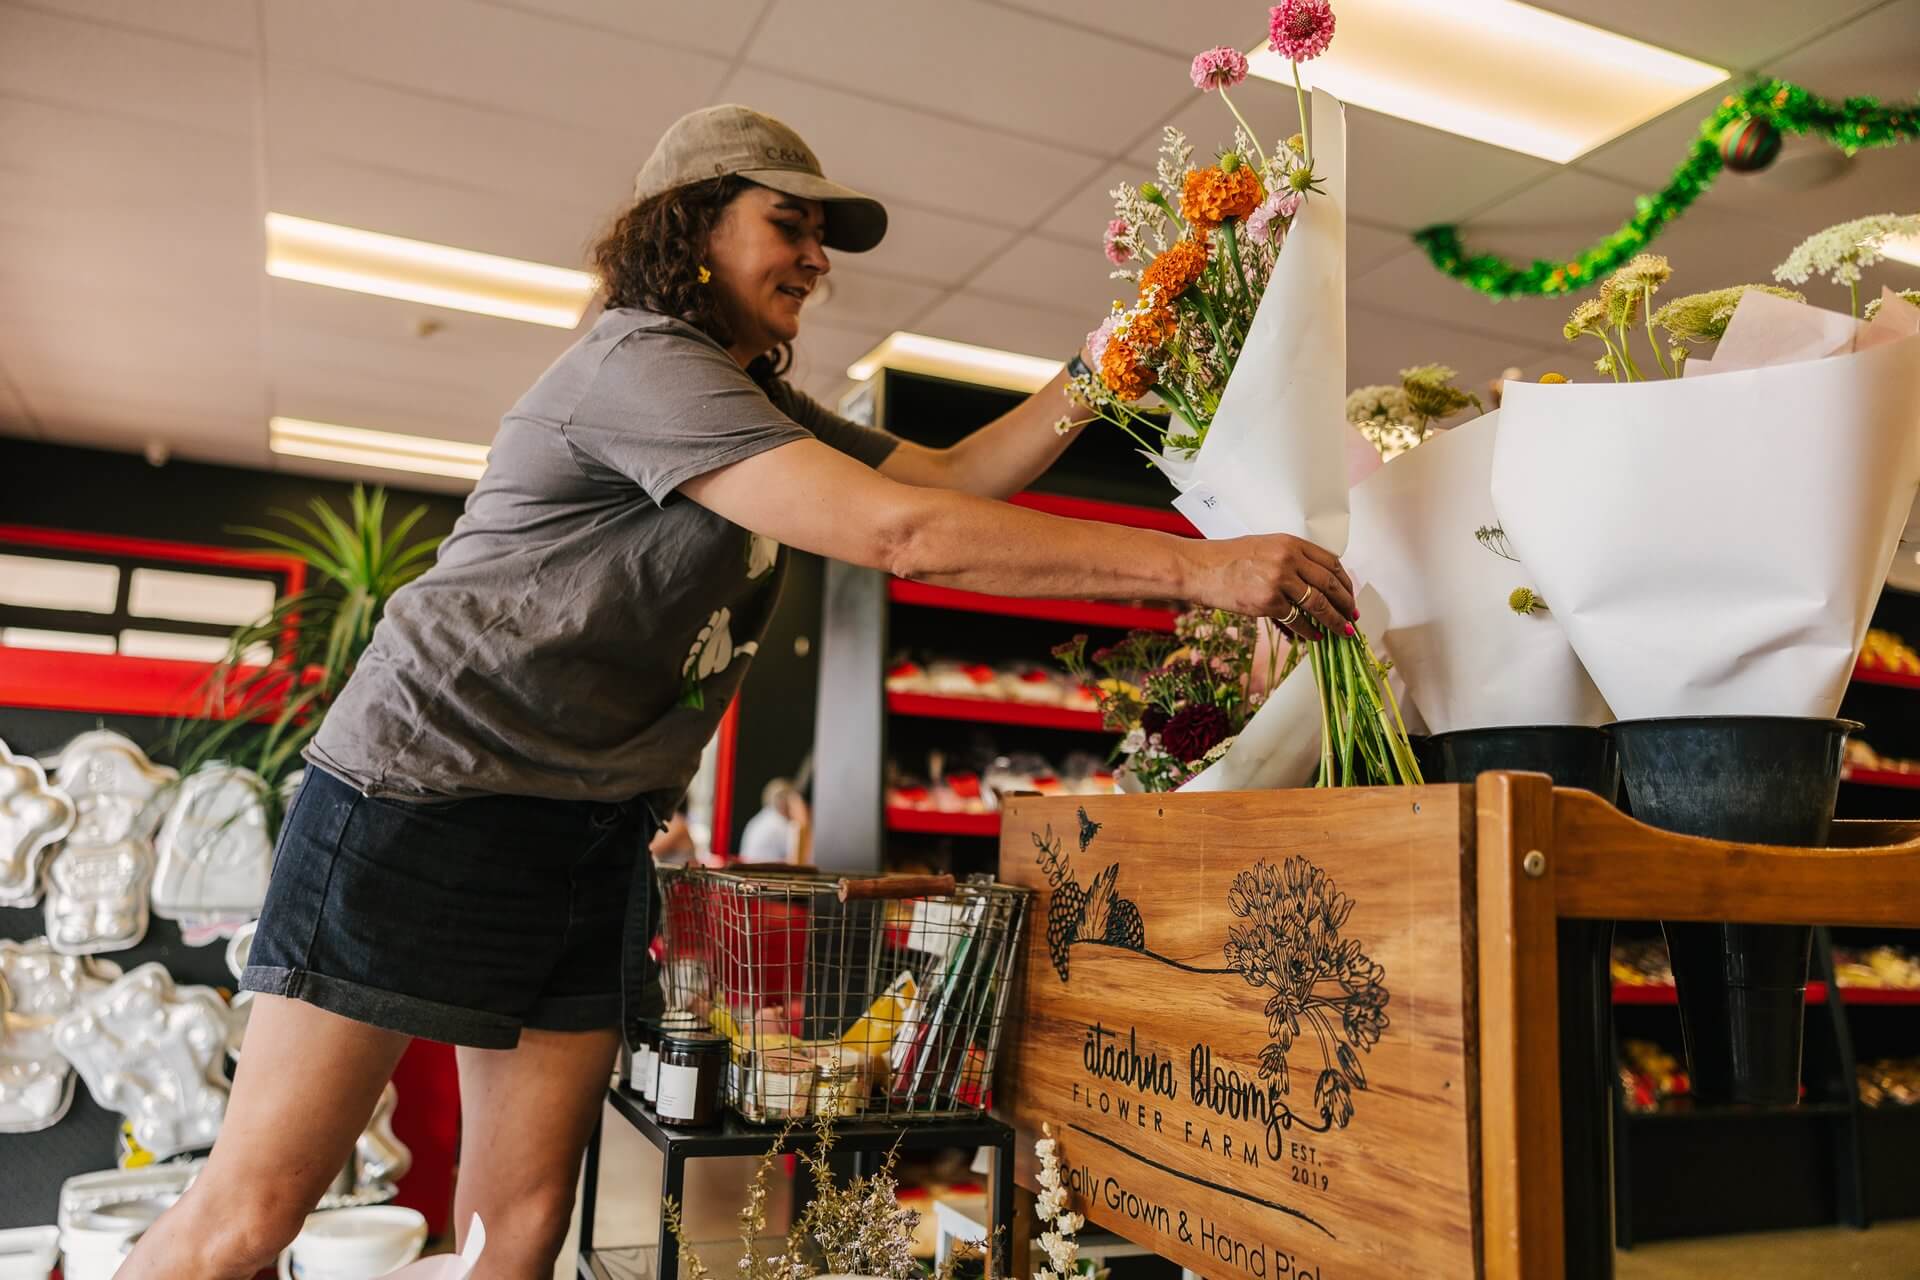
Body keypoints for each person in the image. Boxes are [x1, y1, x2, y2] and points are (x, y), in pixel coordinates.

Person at [120, 104, 1357, 1278]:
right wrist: (1202, 569)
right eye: (791, 223)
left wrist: (1117, 350)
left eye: (825, 236)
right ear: (692, 223)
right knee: (249, 1216)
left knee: (521, 1226)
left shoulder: (754, 398)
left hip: (587, 830)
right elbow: (908, 533)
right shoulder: (640, 364)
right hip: (425, 794)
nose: (818, 258)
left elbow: (956, 473)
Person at [737, 777, 802, 864]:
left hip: (748, 871)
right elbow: (796, 861)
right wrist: (801, 822)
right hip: (763, 874)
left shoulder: (761, 818)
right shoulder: (781, 823)